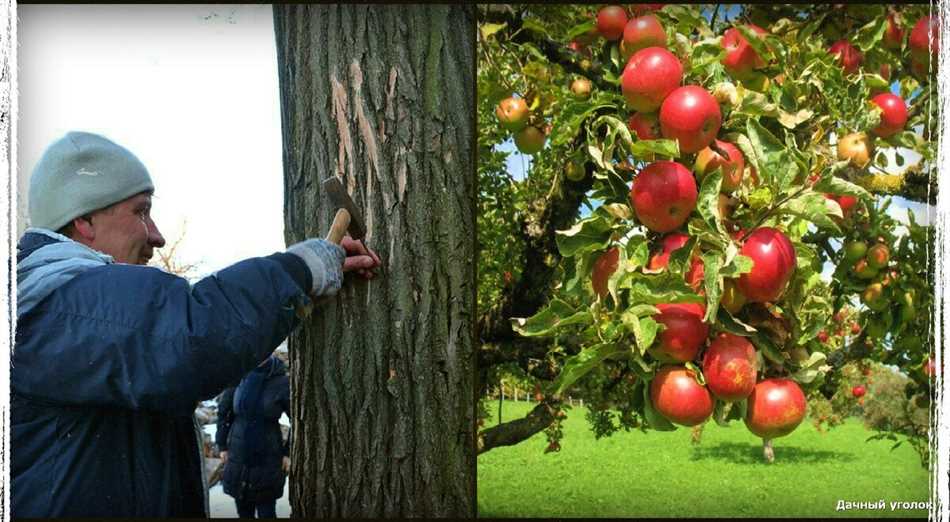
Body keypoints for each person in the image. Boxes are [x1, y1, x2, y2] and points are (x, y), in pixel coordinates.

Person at [12, 131, 380, 517]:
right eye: (141, 211)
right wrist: (299, 271)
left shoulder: (58, 309)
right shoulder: (56, 300)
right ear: (84, 219)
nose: (156, 235)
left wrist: (295, 298)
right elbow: (192, 336)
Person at [216, 354, 290, 518]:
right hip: (238, 453)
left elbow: (299, 420)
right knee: (243, 508)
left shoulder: (281, 382)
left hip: (268, 454)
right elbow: (223, 413)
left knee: (266, 510)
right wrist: (221, 445)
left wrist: (288, 452)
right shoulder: (238, 375)